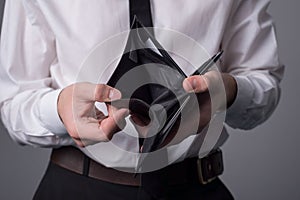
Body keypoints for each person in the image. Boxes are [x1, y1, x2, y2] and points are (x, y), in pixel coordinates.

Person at [0, 0, 284, 199]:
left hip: (195, 188)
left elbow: (261, 81)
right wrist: (58, 110)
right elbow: (14, 102)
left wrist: (228, 92)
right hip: (78, 186)